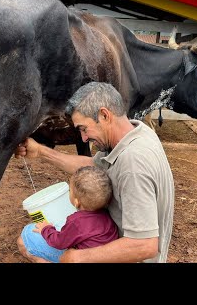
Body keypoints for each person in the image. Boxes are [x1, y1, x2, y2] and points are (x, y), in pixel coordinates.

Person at [15, 82, 175, 263]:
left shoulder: (133, 165)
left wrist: (78, 257)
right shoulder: (136, 134)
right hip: (110, 237)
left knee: (26, 240)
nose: (83, 138)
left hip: (128, 255)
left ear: (104, 115)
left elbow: (144, 245)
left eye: (84, 128)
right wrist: (41, 152)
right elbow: (93, 165)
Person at [18, 165, 119, 263]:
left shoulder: (76, 221)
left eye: (70, 190)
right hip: (103, 257)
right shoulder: (107, 214)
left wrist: (46, 229)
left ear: (76, 202)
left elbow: (59, 242)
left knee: (27, 232)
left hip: (82, 258)